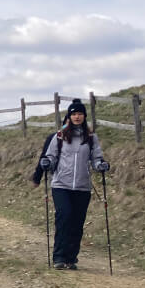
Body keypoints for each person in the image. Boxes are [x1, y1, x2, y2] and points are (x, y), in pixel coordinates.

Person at [39, 99, 110, 270]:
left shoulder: (91, 137)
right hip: (61, 184)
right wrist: (46, 162)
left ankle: (71, 258)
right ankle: (59, 257)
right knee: (64, 216)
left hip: (82, 186)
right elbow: (51, 155)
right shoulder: (60, 135)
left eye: (80, 114)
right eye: (73, 114)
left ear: (84, 116)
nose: (77, 116)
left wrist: (101, 165)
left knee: (77, 222)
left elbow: (96, 158)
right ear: (69, 117)